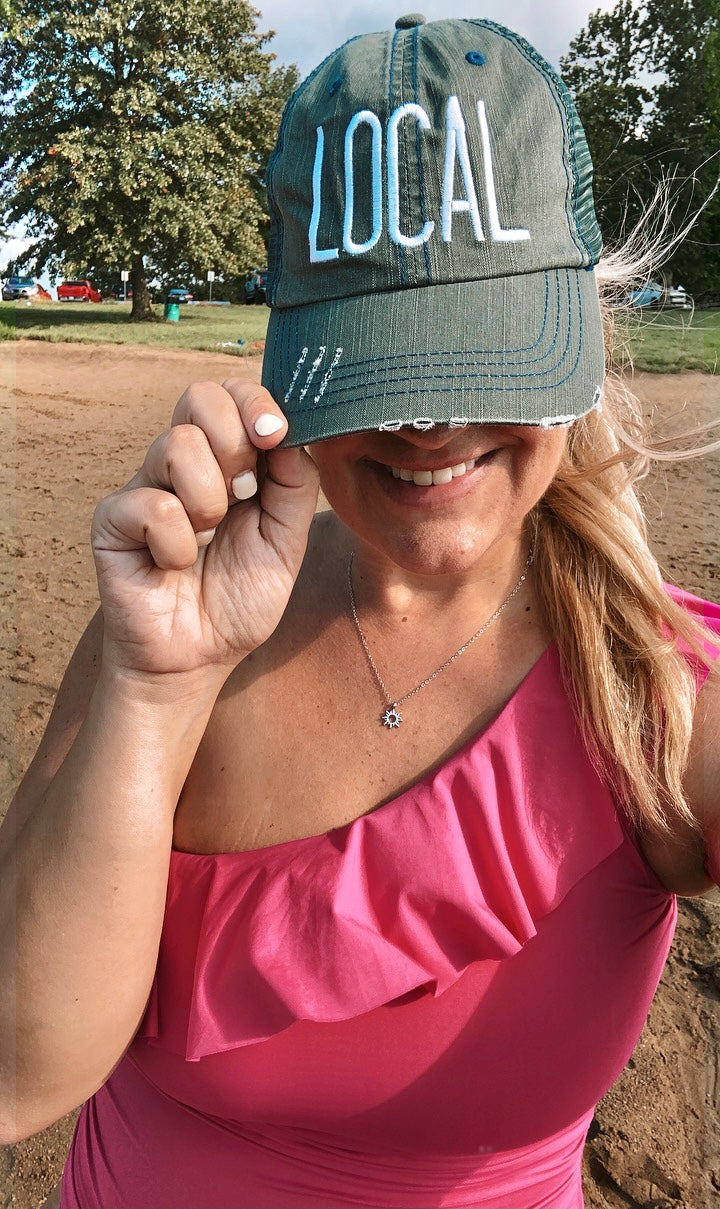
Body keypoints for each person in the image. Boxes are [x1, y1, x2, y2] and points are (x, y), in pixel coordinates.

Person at [2, 14, 720, 1209]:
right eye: (384, 360)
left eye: (484, 347)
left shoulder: (653, 689)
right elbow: (16, 1072)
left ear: (586, 329)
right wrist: (154, 683)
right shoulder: (185, 619)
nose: (430, 421)